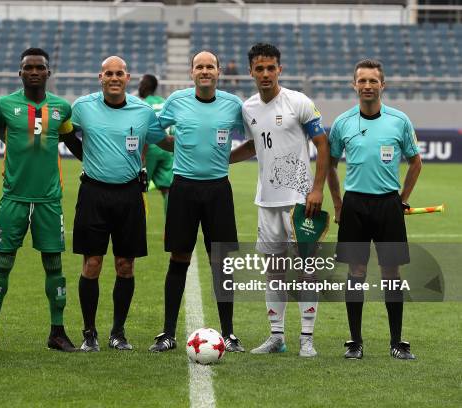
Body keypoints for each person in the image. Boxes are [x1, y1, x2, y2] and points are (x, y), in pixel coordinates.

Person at [0, 48, 83, 353]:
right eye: (28, 67)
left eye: (40, 67)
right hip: (14, 199)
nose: (34, 72)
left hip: (49, 200)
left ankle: (58, 332)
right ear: (19, 73)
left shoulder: (62, 108)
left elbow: (72, 142)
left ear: (49, 73)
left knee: (55, 265)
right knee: (2, 264)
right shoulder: (4, 106)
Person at [229, 43, 329, 357]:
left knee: (307, 270)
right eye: (259, 68)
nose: (266, 74)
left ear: (279, 70)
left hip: (301, 201)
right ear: (251, 72)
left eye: (271, 68)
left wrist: (316, 189)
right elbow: (255, 144)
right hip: (267, 201)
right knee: (274, 271)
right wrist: (222, 160)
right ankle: (276, 337)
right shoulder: (248, 108)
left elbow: (322, 145)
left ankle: (307, 339)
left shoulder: (299, 102)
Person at [149, 50, 245, 353]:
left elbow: (257, 135)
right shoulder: (176, 100)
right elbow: (154, 131)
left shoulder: (233, 105)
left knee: (222, 263)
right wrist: (174, 146)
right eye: (199, 66)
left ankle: (229, 334)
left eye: (210, 66)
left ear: (218, 72)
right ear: (192, 72)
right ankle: (167, 333)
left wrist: (229, 158)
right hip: (183, 189)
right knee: (179, 258)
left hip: (218, 189)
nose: (205, 71)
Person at [71, 56, 167, 352]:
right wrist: (86, 157)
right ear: (100, 77)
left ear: (128, 79)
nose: (114, 78)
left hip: (128, 196)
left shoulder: (143, 112)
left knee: (125, 266)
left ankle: (118, 333)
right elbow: (65, 133)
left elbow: (160, 140)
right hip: (93, 194)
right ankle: (89, 333)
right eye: (108, 73)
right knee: (92, 264)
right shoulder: (83, 107)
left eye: (119, 74)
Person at [327, 59, 421, 360]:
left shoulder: (399, 121)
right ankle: (355, 342)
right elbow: (329, 164)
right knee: (356, 272)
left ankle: (396, 341)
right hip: (354, 204)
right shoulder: (342, 123)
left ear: (383, 85)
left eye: (373, 81)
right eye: (362, 81)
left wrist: (402, 198)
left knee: (391, 273)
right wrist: (338, 203)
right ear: (354, 85)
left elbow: (415, 161)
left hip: (387, 205)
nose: (367, 86)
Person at [138, 74, 174, 216]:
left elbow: (145, 130)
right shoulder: (165, 102)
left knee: (138, 188)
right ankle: (171, 229)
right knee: (168, 190)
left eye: (141, 84)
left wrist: (142, 154)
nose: (139, 87)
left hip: (151, 148)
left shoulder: (143, 104)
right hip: (168, 150)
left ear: (146, 86)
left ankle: (136, 225)